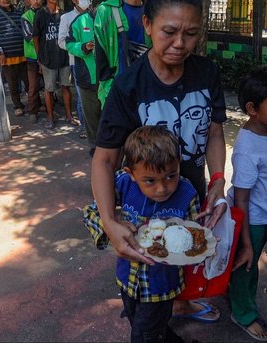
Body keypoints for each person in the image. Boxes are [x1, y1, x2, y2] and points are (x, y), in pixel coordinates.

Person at [92, 0, 227, 323]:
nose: (181, 43)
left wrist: (217, 181)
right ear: (148, 24)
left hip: (192, 194)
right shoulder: (128, 85)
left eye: (191, 33)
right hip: (150, 203)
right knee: (154, 272)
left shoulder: (207, 72)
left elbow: (214, 133)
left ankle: (180, 304)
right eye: (169, 32)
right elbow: (105, 160)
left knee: (189, 258)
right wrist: (109, 219)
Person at [85, 125, 199, 342]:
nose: (162, 188)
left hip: (162, 287)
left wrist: (195, 245)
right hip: (127, 279)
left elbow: (194, 235)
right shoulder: (123, 183)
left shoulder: (187, 193)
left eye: (170, 176)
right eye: (150, 180)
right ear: (132, 174)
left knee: (142, 335)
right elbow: (91, 212)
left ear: (178, 165)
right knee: (140, 321)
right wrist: (110, 228)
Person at [228, 66, 267, 342]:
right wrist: (248, 242)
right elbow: (241, 197)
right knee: (247, 264)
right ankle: (243, 313)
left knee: (247, 266)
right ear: (253, 108)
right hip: (250, 219)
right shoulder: (247, 147)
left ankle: (242, 299)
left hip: (262, 216)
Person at [94, 0, 150, 105]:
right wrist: (109, 91)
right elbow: (101, 59)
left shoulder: (153, 10)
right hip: (117, 93)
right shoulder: (106, 12)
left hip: (148, 92)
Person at [66, 0, 109, 156]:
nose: (103, 12)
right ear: (92, 7)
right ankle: (94, 146)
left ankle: (108, 146)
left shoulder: (111, 20)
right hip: (87, 77)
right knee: (91, 116)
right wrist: (84, 47)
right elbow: (69, 44)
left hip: (107, 78)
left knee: (108, 114)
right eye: (100, 9)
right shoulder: (80, 21)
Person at [33, 0, 77, 129]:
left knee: (66, 86)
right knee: (49, 89)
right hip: (47, 59)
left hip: (64, 58)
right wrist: (40, 59)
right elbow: (35, 38)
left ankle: (69, 115)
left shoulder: (64, 14)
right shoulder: (40, 15)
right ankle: (50, 117)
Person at [58, 0, 92, 136]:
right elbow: (61, 41)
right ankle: (85, 128)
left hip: (96, 63)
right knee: (82, 97)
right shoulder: (67, 18)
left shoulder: (95, 14)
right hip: (77, 62)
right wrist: (80, 48)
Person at [0, 0, 29, 117]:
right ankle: (18, 106)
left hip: (24, 55)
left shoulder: (19, 13)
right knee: (13, 84)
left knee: (30, 82)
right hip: (7, 57)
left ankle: (34, 104)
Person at [21, 0, 45, 123]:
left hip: (47, 57)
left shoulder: (47, 13)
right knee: (33, 85)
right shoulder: (25, 17)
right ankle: (32, 111)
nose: (36, 1)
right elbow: (29, 37)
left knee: (49, 85)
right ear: (29, 0)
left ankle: (49, 109)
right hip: (33, 57)